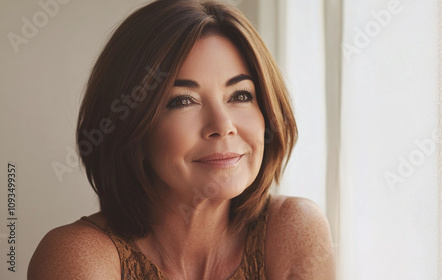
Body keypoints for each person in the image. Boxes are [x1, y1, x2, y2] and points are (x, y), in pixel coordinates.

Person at [28, 0, 335, 279]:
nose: (222, 125)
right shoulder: (77, 256)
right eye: (182, 101)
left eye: (240, 95)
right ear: (131, 127)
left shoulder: (295, 230)